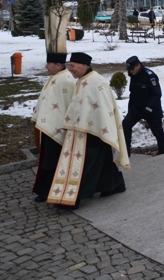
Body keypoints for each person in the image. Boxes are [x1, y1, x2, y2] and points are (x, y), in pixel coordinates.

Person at [47, 52, 128, 209]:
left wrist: (99, 128)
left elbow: (103, 108)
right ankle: (116, 185)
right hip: (84, 129)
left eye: (72, 66)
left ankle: (74, 198)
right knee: (103, 160)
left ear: (84, 65)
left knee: (85, 165)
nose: (70, 69)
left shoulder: (96, 82)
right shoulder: (82, 80)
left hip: (94, 131)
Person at [31, 52, 76, 203]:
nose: (46, 66)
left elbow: (70, 105)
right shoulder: (54, 77)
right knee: (47, 159)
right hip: (48, 127)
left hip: (58, 129)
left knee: (53, 161)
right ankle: (45, 189)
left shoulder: (67, 80)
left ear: (58, 65)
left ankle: (51, 190)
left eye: (49, 63)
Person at [122, 56, 164, 155]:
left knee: (157, 131)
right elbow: (132, 93)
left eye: (132, 69)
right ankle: (126, 151)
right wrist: (130, 108)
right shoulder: (133, 75)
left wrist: (149, 108)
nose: (130, 71)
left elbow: (157, 94)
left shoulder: (150, 76)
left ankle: (162, 151)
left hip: (151, 109)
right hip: (137, 108)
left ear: (138, 65)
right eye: (129, 69)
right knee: (125, 124)